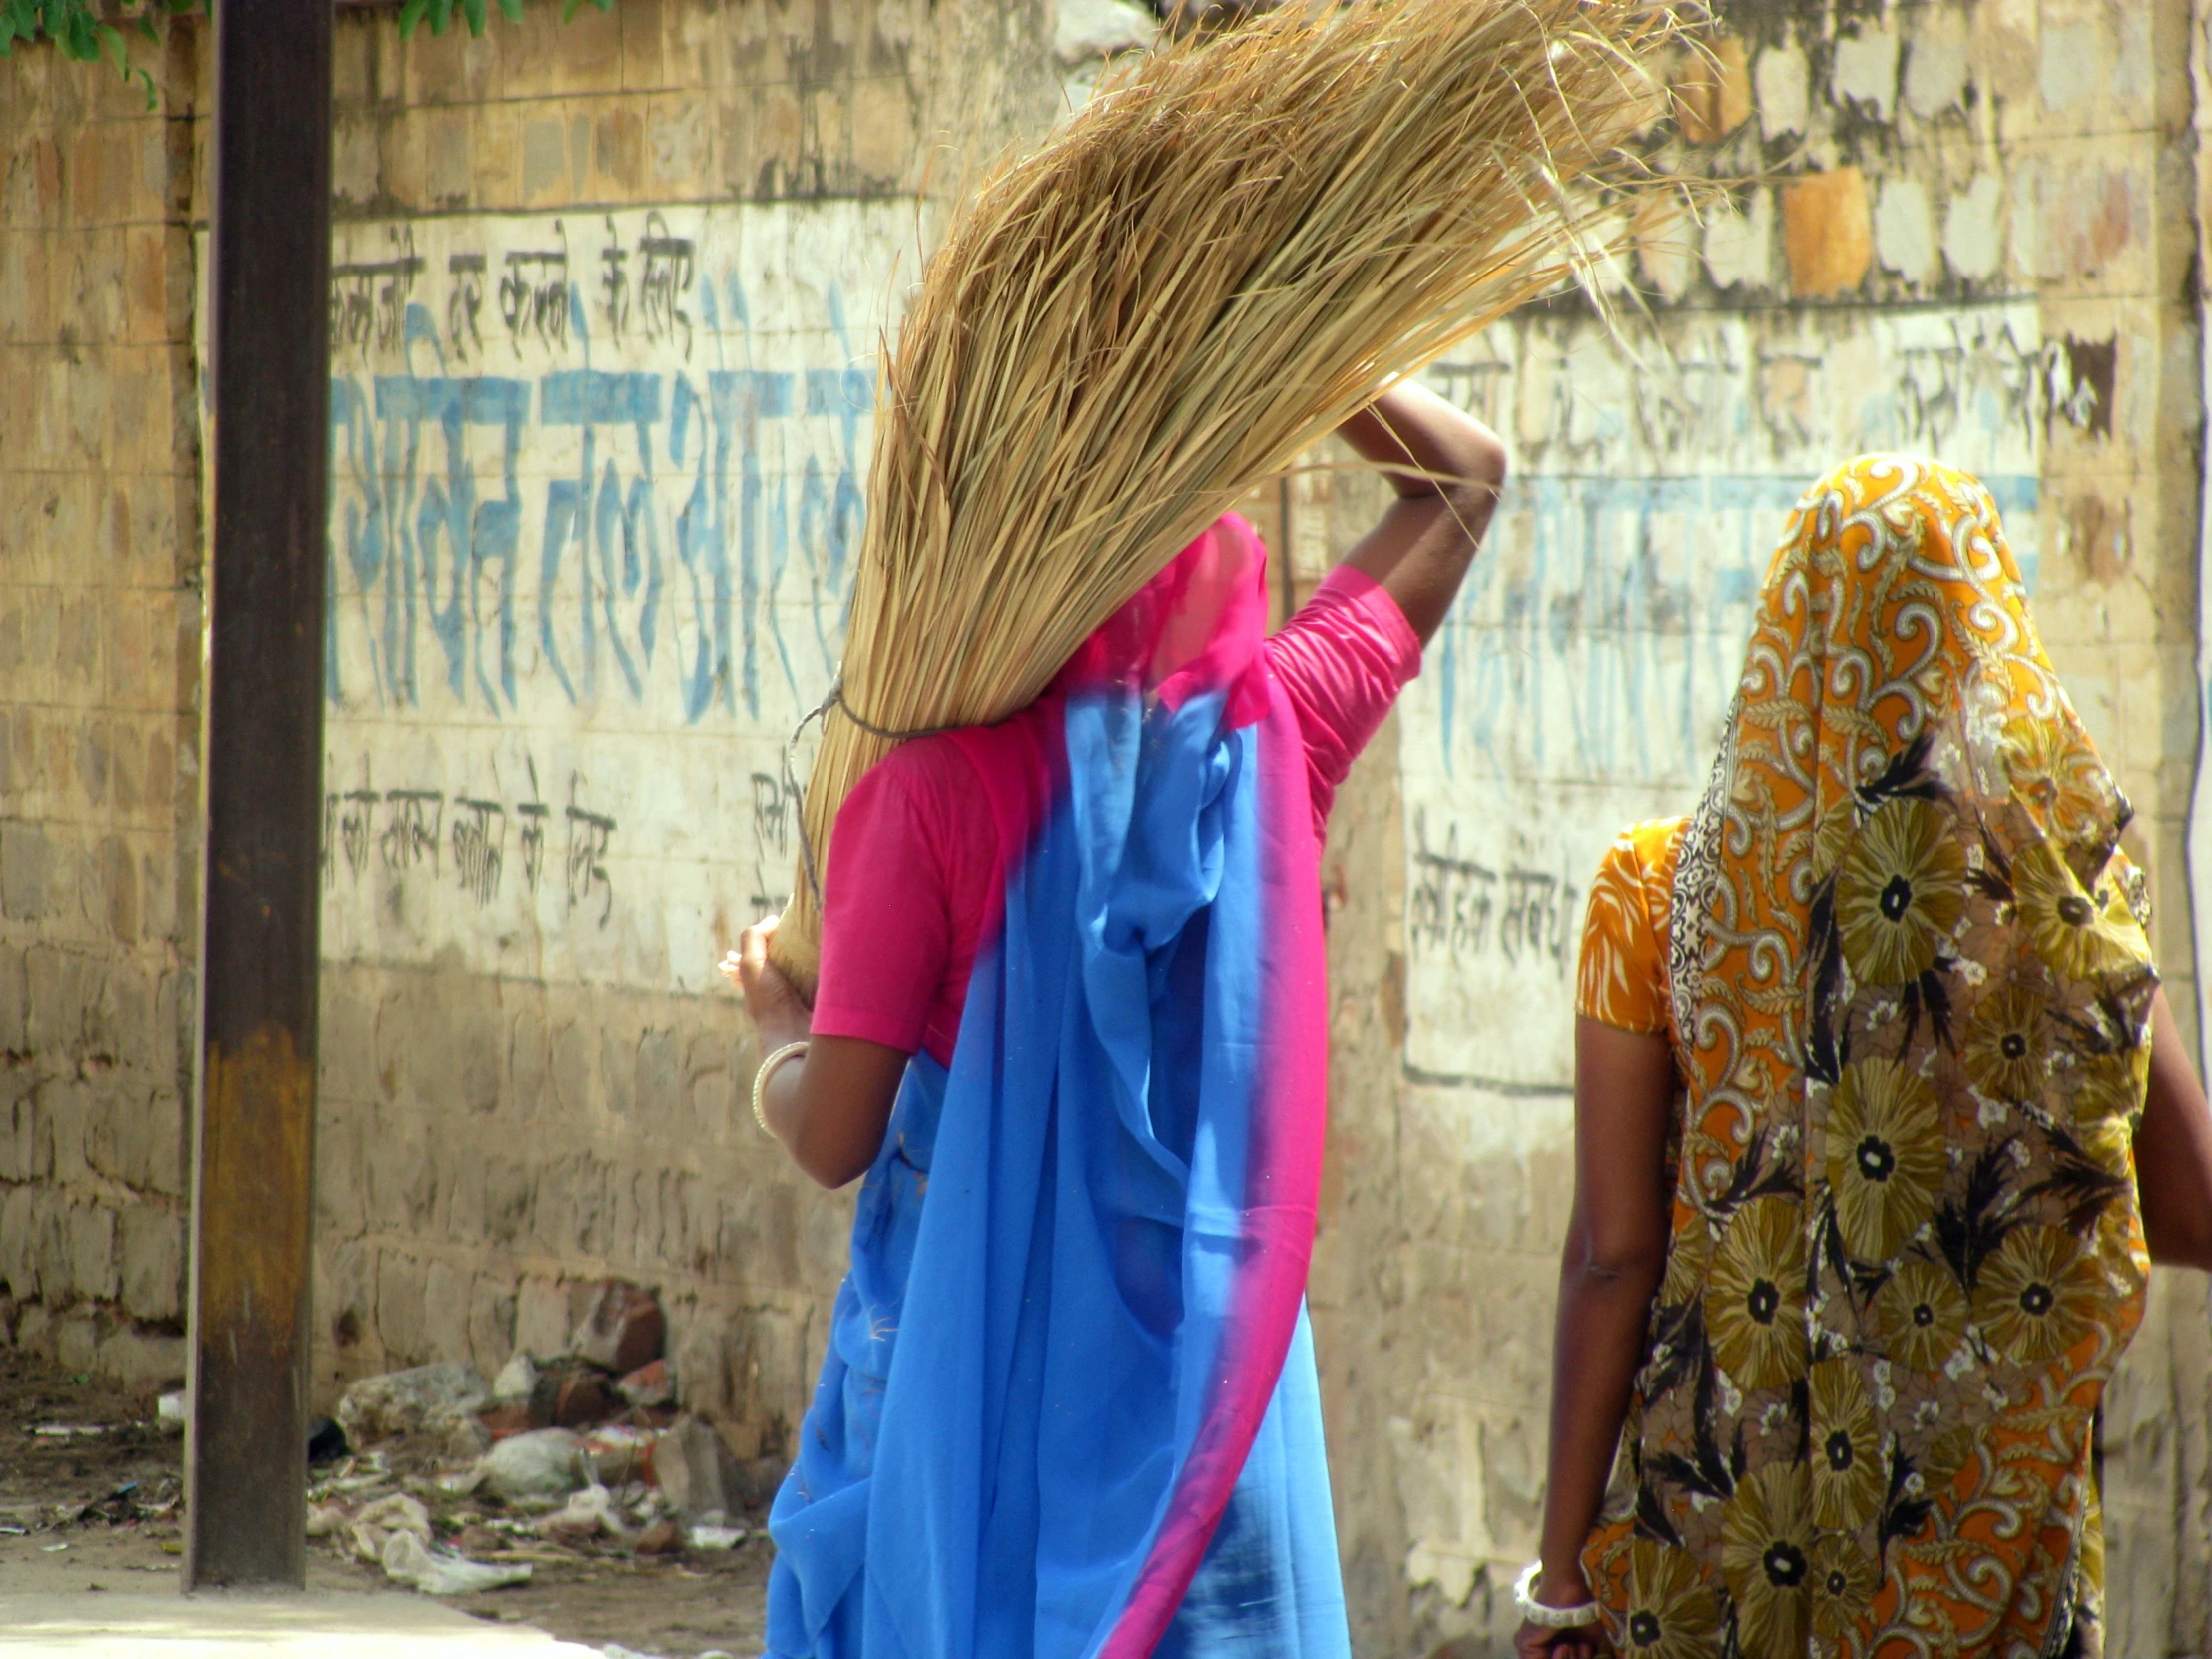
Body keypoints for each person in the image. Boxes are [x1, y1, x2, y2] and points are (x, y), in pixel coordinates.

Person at [729, 382, 1505, 1659]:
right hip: (1205, 1413)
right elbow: (1462, 483)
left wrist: (773, 1034)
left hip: (968, 1408)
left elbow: (831, 1136)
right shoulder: (1275, 735)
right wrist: (1290, 348)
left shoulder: (922, 798)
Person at [1512, 455, 2212, 1659]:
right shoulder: (2056, 915)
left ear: (1785, 634)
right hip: (1984, 1574)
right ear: (1986, 638)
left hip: (1713, 1548)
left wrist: (1564, 1573)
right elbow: (2194, 1210)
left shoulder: (1653, 889)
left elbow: (1612, 1256)